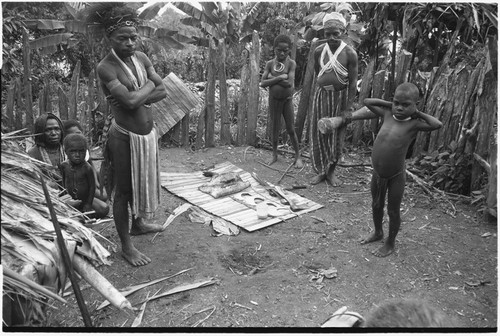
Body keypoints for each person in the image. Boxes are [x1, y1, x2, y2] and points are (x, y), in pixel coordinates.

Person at [94, 4, 167, 266]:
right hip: (124, 136)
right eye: (122, 38)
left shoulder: (142, 59)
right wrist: (149, 86)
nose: (129, 43)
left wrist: (140, 93)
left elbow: (163, 92)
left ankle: (138, 224)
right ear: (109, 39)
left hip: (146, 136)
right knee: (123, 191)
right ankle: (126, 246)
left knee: (141, 182)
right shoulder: (106, 67)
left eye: (133, 37)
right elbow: (135, 100)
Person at [357, 83, 442, 257]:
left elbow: (437, 124)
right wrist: (390, 105)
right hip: (378, 174)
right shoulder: (387, 113)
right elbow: (367, 101)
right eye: (397, 103)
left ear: (416, 104)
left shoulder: (414, 124)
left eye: (406, 105)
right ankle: (378, 232)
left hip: (396, 176)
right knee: (376, 204)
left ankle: (390, 242)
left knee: (393, 210)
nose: (400, 108)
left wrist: (416, 112)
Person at [310, 12, 359, 186]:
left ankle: (331, 172)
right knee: (319, 133)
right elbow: (319, 73)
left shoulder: (350, 53)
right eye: (327, 33)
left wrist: (347, 108)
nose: (331, 37)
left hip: (340, 99)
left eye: (335, 34)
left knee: (337, 136)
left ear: (343, 31)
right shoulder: (318, 51)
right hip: (322, 96)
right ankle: (321, 171)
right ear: (323, 33)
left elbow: (353, 83)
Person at [260, 34, 303, 169]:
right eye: (279, 50)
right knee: (275, 128)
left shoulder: (291, 63)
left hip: (287, 100)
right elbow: (262, 83)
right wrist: (279, 78)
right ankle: (274, 155)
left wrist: (272, 77)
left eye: (285, 50)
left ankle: (298, 156)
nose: (282, 53)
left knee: (290, 128)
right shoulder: (269, 64)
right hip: (274, 100)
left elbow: (289, 84)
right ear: (274, 49)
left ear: (289, 50)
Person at [59, 133, 110, 218]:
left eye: (81, 151)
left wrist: (88, 203)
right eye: (73, 151)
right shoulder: (64, 166)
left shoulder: (87, 168)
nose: (77, 155)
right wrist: (65, 196)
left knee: (103, 209)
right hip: (69, 199)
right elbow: (63, 180)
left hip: (84, 199)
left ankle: (83, 213)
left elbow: (92, 187)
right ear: (66, 152)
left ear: (86, 151)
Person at [63, 119, 108, 203]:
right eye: (71, 134)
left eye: (78, 133)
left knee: (99, 176)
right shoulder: (67, 149)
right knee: (103, 198)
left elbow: (91, 164)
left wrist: (96, 183)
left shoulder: (84, 146)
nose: (75, 136)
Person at [28, 113, 66, 185]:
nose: (54, 133)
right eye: (48, 130)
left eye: (57, 129)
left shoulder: (68, 149)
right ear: (40, 132)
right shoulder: (33, 153)